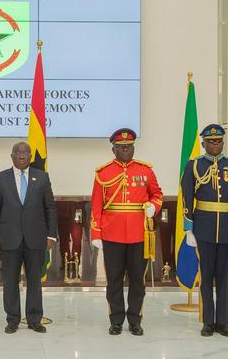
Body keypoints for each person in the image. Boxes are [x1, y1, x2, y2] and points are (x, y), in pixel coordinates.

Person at [91, 128, 163, 336]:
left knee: (137, 281)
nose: (126, 150)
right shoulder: (103, 173)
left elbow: (157, 194)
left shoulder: (145, 171)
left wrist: (153, 206)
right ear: (113, 148)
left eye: (129, 147)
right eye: (121, 147)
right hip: (111, 235)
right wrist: (96, 234)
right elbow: (97, 205)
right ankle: (116, 320)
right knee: (113, 280)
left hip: (139, 235)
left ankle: (135, 320)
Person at [180, 124, 228, 337]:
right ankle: (208, 322)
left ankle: (223, 322)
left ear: (223, 142)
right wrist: (188, 229)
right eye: (210, 141)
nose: (215, 144)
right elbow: (187, 198)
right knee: (207, 277)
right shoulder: (194, 166)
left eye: (218, 141)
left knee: (224, 277)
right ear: (203, 143)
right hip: (204, 228)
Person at [0, 142, 57, 334]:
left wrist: (52, 235)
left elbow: (50, 208)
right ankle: (12, 319)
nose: (21, 155)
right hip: (9, 238)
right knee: (10, 282)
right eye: (17, 152)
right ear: (12, 156)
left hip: (36, 238)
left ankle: (34, 319)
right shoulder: (0, 178)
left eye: (25, 152)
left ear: (29, 156)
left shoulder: (42, 177)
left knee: (35, 281)